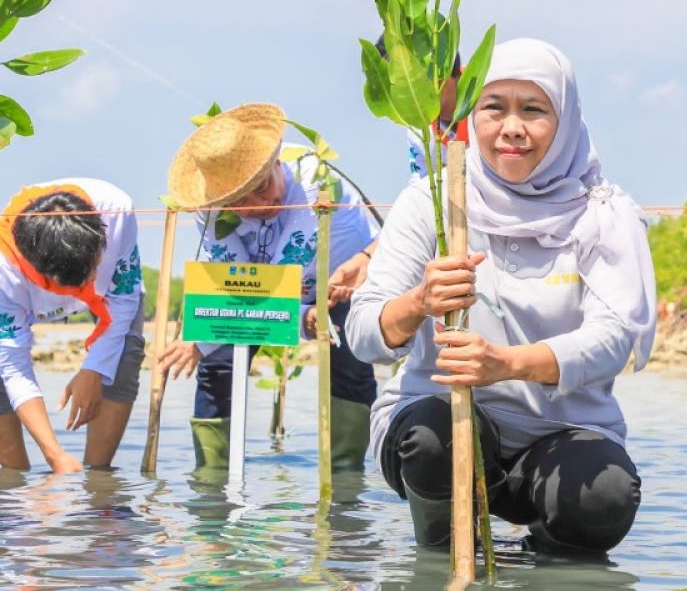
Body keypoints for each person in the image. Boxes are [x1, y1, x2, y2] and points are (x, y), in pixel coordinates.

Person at [346, 39, 656, 554]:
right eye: (494, 108)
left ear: (566, 120)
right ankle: (444, 548)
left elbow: (614, 339)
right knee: (429, 439)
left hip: (561, 428)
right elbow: (363, 334)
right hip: (447, 425)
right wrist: (418, 302)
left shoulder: (603, 213)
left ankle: (551, 551)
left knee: (604, 495)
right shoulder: (434, 198)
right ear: (474, 114)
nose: (512, 128)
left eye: (534, 110)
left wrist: (507, 363)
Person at [158, 103, 380, 470]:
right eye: (239, 203)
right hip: (271, 291)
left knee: (349, 366)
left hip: (342, 280)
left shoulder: (315, 179)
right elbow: (238, 281)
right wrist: (207, 336)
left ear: (277, 161)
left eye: (262, 187)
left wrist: (201, 334)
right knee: (217, 364)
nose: (260, 205)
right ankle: (212, 481)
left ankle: (346, 481)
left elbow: (283, 281)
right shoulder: (210, 208)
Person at [0, 180, 144, 473]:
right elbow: (13, 366)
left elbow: (124, 300)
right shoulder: (4, 270)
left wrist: (95, 369)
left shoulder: (116, 211)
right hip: (18, 301)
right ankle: (14, 484)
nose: (82, 286)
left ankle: (98, 478)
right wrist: (56, 456)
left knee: (125, 352)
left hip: (112, 300)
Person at [374, 36, 467, 182]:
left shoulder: (490, 94)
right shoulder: (418, 133)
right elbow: (419, 188)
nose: (414, 95)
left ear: (449, 72)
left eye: (423, 81)